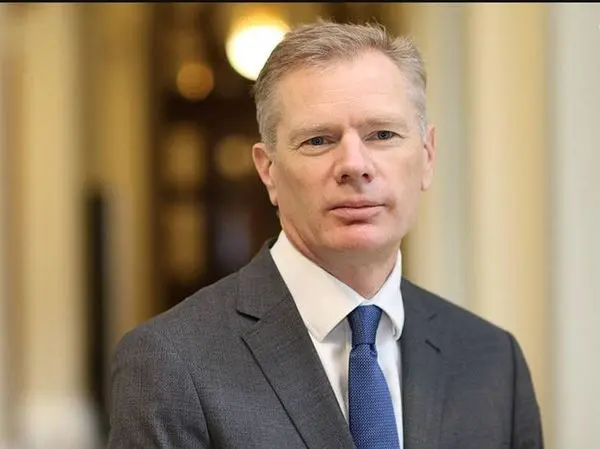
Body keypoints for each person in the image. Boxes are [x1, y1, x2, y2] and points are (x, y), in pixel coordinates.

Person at [107, 20, 544, 449]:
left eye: (383, 134)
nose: (354, 165)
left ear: (427, 156)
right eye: (318, 140)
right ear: (268, 170)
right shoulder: (171, 363)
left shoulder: (492, 361)